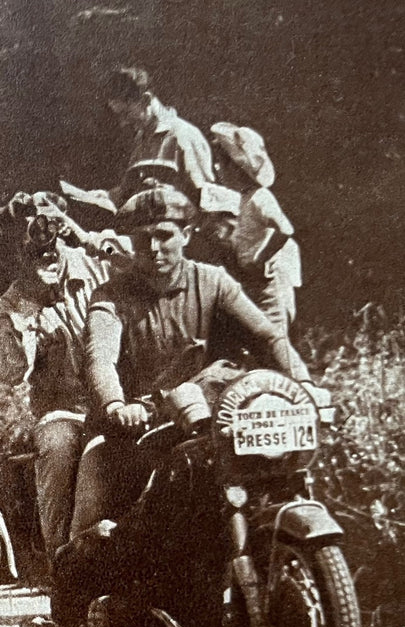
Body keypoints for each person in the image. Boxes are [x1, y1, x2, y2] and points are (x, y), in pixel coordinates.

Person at [70, 182, 311, 537]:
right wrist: (117, 405)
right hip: (136, 432)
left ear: (185, 234)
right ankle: (75, 584)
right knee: (93, 515)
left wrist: (304, 385)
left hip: (210, 425)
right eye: (141, 239)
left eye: (164, 235)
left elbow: (267, 335)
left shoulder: (212, 281)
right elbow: (100, 359)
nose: (154, 247)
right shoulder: (111, 295)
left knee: (275, 481)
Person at [0, 194, 110, 563]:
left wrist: (83, 236)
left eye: (53, 244)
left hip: (120, 397)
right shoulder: (15, 301)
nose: (47, 255)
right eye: (33, 251)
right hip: (67, 412)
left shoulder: (96, 266)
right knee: (56, 447)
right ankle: (63, 567)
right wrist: (27, 316)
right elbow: (2, 371)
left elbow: (141, 263)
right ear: (16, 257)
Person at [208, 122, 302, 336]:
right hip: (254, 280)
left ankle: (284, 368)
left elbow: (284, 229)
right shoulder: (245, 199)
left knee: (274, 336)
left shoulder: (259, 197)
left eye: (221, 163)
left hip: (269, 281)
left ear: (237, 167)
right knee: (259, 335)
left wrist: (261, 258)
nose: (216, 169)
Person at [103, 67, 214, 203]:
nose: (123, 123)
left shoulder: (183, 135)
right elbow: (129, 190)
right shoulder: (141, 138)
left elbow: (206, 198)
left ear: (146, 100)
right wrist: (103, 196)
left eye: (126, 114)